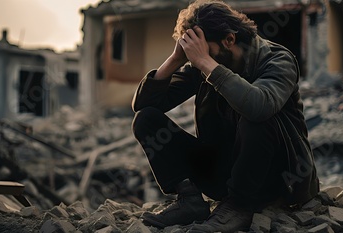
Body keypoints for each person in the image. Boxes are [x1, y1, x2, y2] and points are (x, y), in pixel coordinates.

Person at [131, 0, 320, 232]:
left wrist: (206, 62)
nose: (198, 60)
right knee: (146, 118)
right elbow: (143, 104)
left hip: (278, 179)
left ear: (229, 39)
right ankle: (190, 201)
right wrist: (176, 60)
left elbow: (259, 106)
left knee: (256, 114)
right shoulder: (202, 63)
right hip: (224, 176)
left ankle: (240, 206)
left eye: (203, 53)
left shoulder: (276, 59)